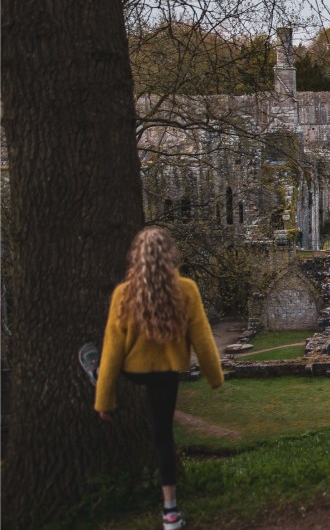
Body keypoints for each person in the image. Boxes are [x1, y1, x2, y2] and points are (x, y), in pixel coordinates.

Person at [94, 227, 224, 530]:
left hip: (133, 371)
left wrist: (103, 401)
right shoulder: (186, 289)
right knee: (163, 437)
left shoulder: (123, 294)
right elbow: (202, 338)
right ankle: (170, 512)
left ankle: (96, 378)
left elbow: (113, 350)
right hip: (167, 372)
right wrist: (215, 377)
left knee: (105, 365)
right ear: (169, 255)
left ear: (136, 258)